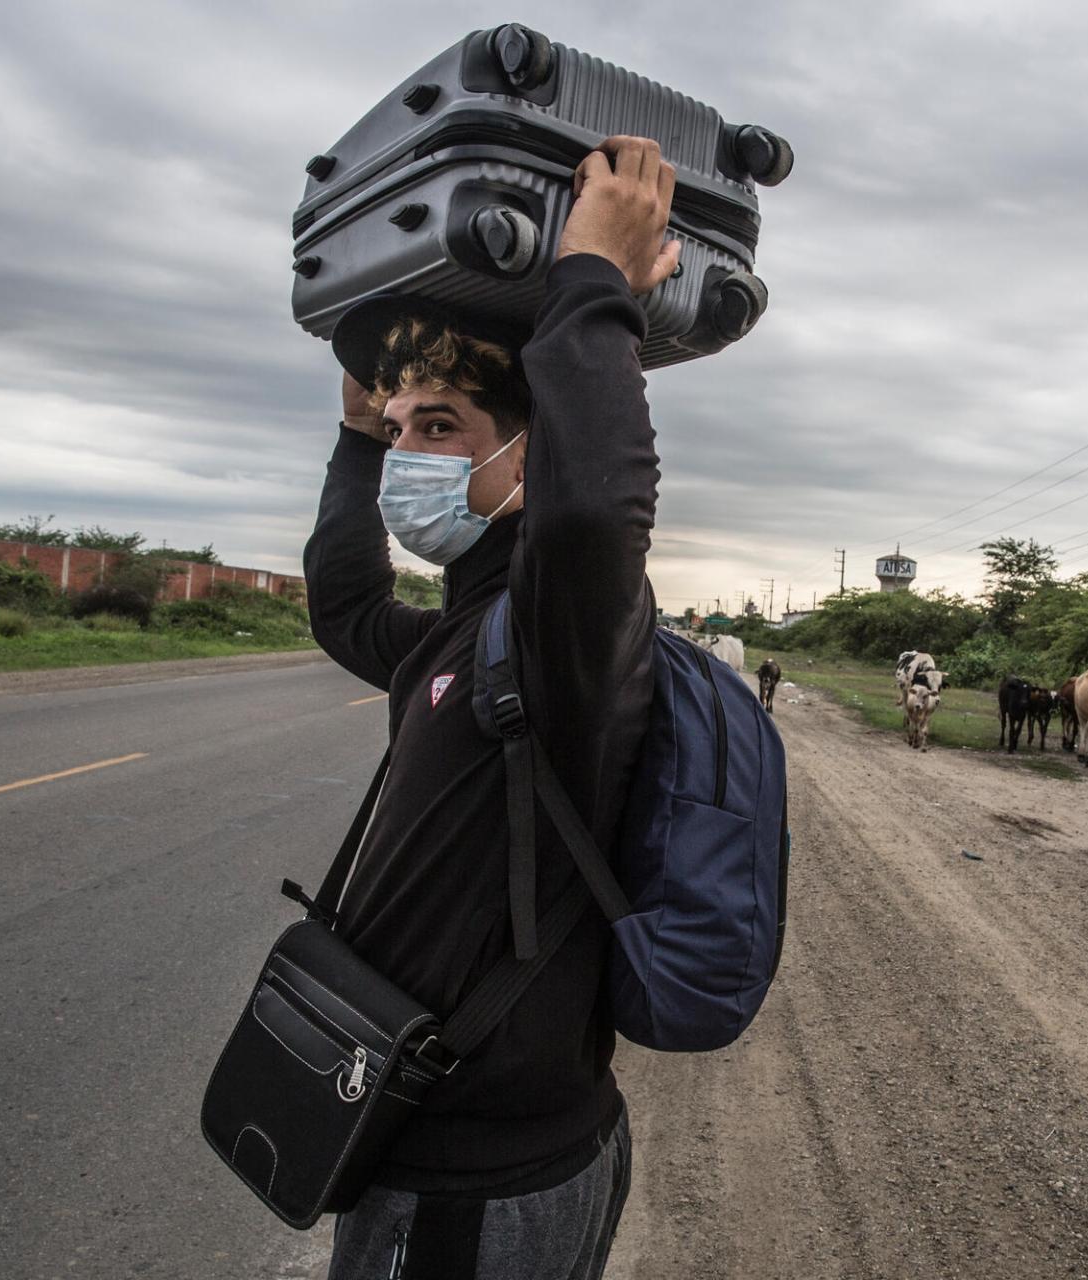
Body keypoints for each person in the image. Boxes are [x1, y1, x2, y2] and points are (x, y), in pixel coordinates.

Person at [302, 136, 679, 1280]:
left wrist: (590, 285)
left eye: (440, 427)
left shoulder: (568, 622)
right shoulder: (472, 631)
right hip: (442, 1148)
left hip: (481, 1179)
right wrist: (361, 434)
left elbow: (592, 515)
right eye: (406, 425)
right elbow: (346, 603)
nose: (410, 453)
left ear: (526, 457)